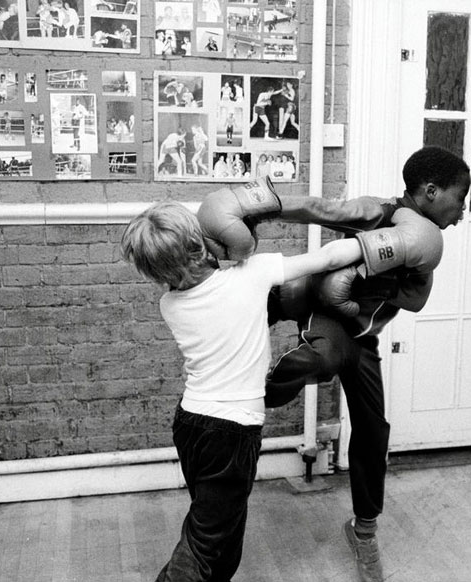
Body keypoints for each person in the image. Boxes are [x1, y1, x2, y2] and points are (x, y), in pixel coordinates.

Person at [197, 146, 471, 582]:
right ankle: (258, 393)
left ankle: (363, 530)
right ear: (431, 191)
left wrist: (363, 273)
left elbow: (416, 300)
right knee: (320, 351)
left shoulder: (421, 241)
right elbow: (321, 209)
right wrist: (260, 205)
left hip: (361, 337)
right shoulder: (375, 212)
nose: (460, 214)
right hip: (327, 315)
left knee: (374, 428)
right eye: (459, 200)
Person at [120, 193, 365, 582]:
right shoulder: (253, 274)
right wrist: (385, 242)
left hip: (192, 425)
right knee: (205, 539)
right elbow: (331, 258)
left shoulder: (170, 304)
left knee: (221, 533)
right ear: (200, 243)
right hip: (231, 432)